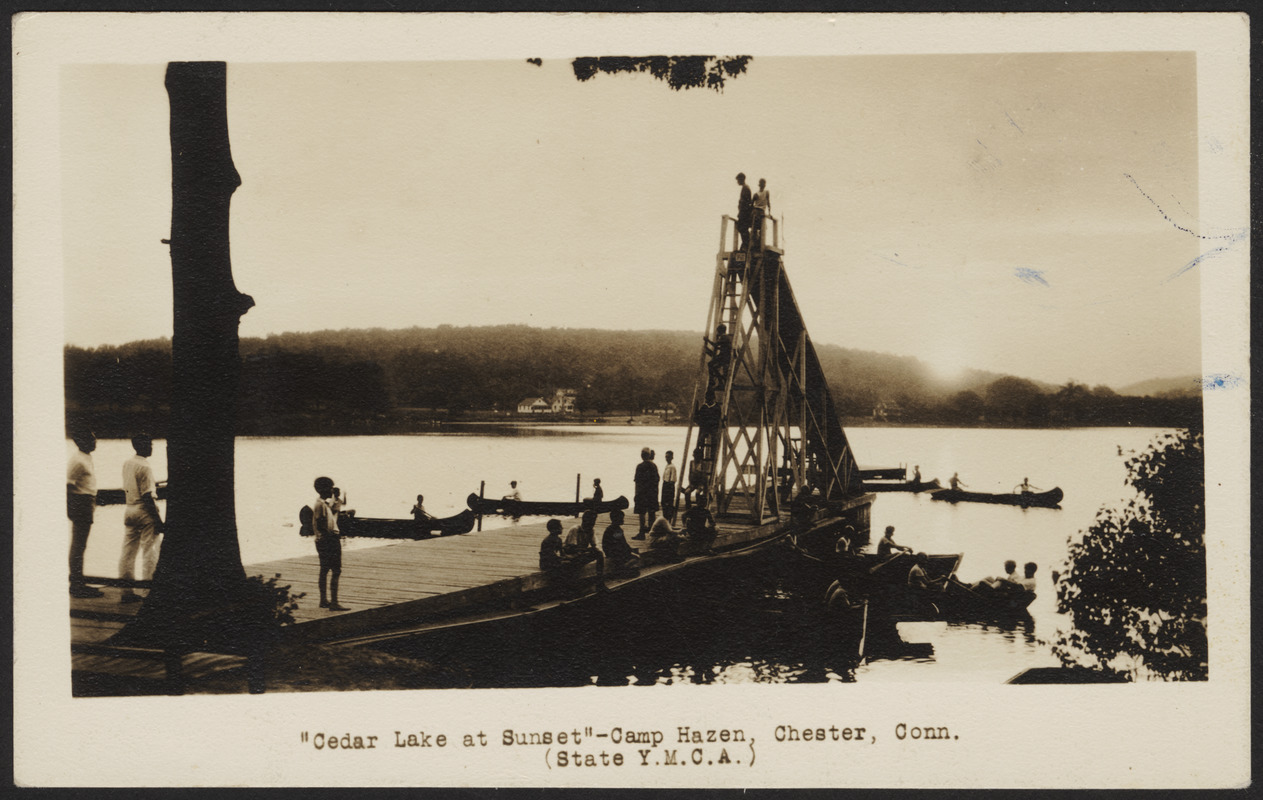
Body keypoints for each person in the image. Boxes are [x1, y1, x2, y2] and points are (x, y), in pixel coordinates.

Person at [118, 433, 164, 603]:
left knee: (128, 552)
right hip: (144, 511)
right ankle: (148, 591)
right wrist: (158, 520)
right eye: (149, 444)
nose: (151, 447)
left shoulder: (128, 463)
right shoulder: (145, 467)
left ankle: (126, 590)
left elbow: (134, 486)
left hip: (129, 509)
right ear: (141, 445)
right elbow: (147, 496)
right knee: (149, 550)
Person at [66, 428, 103, 597]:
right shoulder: (77, 461)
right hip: (80, 503)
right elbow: (67, 484)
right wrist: (71, 508)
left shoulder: (86, 457)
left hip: (87, 501)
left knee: (81, 544)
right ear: (81, 442)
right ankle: (77, 584)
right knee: (79, 544)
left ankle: (78, 582)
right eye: (92, 439)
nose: (95, 442)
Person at [312, 476, 348, 611]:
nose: (332, 490)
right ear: (323, 489)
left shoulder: (323, 504)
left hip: (324, 540)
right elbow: (322, 525)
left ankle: (324, 600)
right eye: (330, 487)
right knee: (336, 570)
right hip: (329, 540)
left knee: (325, 569)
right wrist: (331, 539)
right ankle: (334, 602)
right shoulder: (320, 505)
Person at [563, 509, 607, 590]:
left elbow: (595, 545)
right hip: (570, 555)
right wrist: (586, 550)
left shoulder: (591, 531)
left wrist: (595, 550)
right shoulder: (575, 529)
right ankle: (575, 586)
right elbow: (570, 548)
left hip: (580, 553)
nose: (593, 524)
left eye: (594, 521)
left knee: (599, 554)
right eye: (591, 521)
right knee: (574, 563)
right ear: (584, 520)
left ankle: (600, 581)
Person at [631, 447, 660, 539]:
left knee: (642, 512)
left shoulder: (640, 466)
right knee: (652, 512)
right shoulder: (653, 466)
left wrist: (636, 494)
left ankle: (641, 532)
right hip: (652, 493)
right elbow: (657, 480)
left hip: (642, 493)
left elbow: (637, 482)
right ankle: (653, 532)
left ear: (642, 455)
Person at [735, 173, 753, 251]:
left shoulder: (746, 188)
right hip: (744, 212)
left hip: (745, 213)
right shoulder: (745, 188)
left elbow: (746, 202)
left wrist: (742, 212)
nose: (737, 182)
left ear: (742, 179)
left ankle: (747, 244)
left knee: (742, 228)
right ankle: (745, 244)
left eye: (738, 180)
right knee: (741, 228)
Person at [751, 178, 771, 246]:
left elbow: (768, 203)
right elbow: (751, 204)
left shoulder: (766, 192)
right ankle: (755, 243)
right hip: (757, 212)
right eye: (762, 184)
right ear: (760, 185)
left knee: (761, 228)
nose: (763, 185)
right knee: (756, 228)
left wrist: (770, 213)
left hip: (761, 212)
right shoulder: (756, 194)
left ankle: (758, 243)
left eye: (763, 184)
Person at [660, 451, 678, 523]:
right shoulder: (667, 466)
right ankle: (665, 520)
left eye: (668, 457)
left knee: (669, 504)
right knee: (664, 503)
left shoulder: (672, 467)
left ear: (672, 457)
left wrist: (669, 489)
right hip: (665, 484)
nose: (667, 458)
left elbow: (673, 479)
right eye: (666, 457)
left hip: (669, 486)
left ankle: (669, 520)